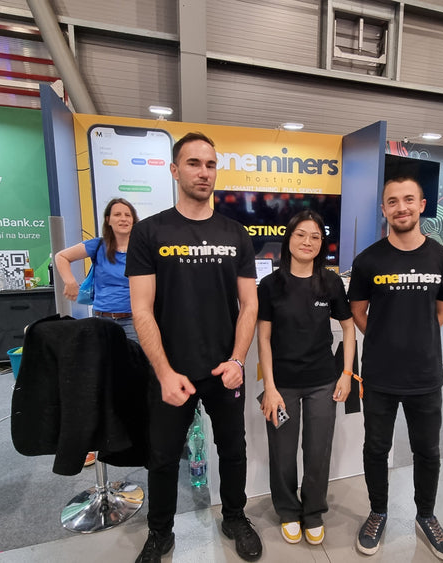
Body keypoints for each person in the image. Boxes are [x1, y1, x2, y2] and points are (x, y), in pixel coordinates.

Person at [127, 132, 261, 563]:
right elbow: (142, 310)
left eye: (210, 164)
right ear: (174, 169)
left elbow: (250, 303)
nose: (203, 172)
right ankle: (160, 532)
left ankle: (235, 516)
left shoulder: (236, 234)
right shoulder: (149, 233)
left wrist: (238, 360)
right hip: (172, 373)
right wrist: (164, 373)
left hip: (225, 369)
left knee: (233, 449)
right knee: (163, 458)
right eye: (193, 163)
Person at [348, 176, 443, 561]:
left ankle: (426, 516)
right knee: (376, 448)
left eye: (408, 200)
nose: (401, 208)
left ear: (422, 204)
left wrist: (418, 337)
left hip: (426, 376)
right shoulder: (368, 261)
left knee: (427, 450)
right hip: (379, 375)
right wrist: (383, 337)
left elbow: (442, 310)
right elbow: (358, 312)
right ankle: (378, 511)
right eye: (392, 201)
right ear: (384, 209)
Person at [256, 210, 355, 546]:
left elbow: (348, 327)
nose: (308, 242)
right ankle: (287, 509)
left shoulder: (329, 282)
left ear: (321, 243)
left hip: (322, 382)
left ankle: (312, 512)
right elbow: (264, 339)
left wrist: (346, 373)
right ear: (289, 238)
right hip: (282, 384)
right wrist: (269, 387)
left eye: (315, 236)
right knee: (282, 453)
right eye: (301, 234)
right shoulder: (270, 285)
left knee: (317, 451)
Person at [54, 197, 139, 467]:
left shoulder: (141, 248)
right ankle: (98, 439)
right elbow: (62, 256)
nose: (123, 218)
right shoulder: (99, 246)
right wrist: (70, 280)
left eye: (128, 214)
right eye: (118, 214)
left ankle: (135, 435)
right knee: (101, 380)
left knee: (136, 377)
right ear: (108, 220)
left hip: (135, 321)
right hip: (102, 322)